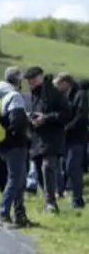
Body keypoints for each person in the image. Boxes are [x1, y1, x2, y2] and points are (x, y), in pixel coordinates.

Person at [0, 68, 34, 228]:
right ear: (17, 80)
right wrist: (28, 122)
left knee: (19, 179)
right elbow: (16, 122)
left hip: (2, 142)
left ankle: (19, 214)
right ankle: (3, 214)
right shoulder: (14, 96)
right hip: (15, 143)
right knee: (15, 179)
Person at [24, 66, 70, 214]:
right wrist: (31, 118)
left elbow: (66, 114)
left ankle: (51, 202)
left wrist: (46, 118)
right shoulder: (33, 94)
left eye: (34, 79)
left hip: (52, 137)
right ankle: (48, 199)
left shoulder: (54, 93)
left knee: (47, 167)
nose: (31, 82)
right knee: (38, 169)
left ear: (41, 77)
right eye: (29, 80)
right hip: (37, 137)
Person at [53, 72, 86, 209]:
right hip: (67, 138)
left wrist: (66, 128)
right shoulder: (66, 96)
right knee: (66, 168)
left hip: (77, 137)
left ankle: (78, 199)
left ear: (66, 83)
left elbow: (81, 116)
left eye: (58, 85)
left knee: (72, 167)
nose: (57, 88)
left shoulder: (81, 95)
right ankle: (69, 195)